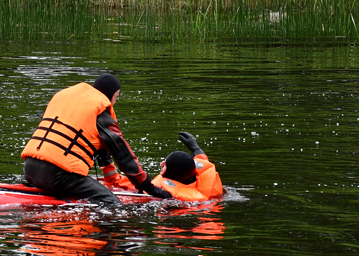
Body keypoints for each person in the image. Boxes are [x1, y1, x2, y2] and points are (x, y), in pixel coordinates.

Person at [21, 73, 172, 206]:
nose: (114, 102)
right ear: (110, 95)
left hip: (29, 169)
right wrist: (149, 187)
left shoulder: (67, 101)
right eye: (116, 97)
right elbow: (124, 156)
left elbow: (96, 149)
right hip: (58, 175)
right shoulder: (101, 115)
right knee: (112, 204)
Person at [149, 132, 223, 201]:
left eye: (165, 165)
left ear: (172, 173)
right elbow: (201, 161)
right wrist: (196, 148)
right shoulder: (206, 182)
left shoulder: (168, 194)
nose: (161, 164)